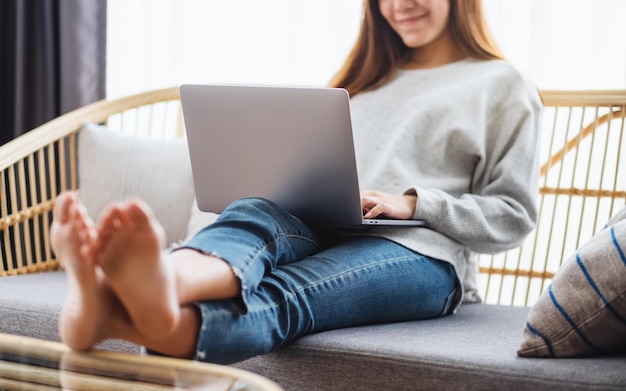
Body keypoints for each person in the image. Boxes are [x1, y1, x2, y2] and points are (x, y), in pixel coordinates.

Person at [51, 0, 542, 365]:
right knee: (254, 210)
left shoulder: (501, 85)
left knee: (292, 294)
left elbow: (514, 215)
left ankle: (133, 307)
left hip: (421, 253)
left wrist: (414, 203)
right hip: (319, 224)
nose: (400, 6)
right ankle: (143, 293)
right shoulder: (364, 78)